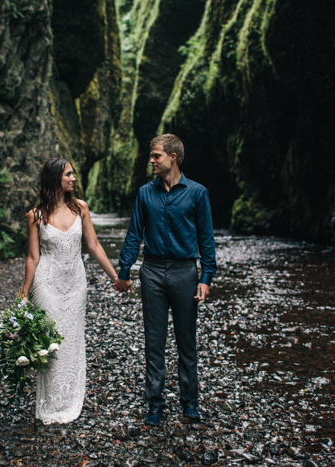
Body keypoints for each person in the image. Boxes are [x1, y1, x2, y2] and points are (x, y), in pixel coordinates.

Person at [114, 134, 216, 426]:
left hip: (186, 272)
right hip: (153, 271)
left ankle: (190, 402)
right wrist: (124, 272)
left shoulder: (198, 193)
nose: (151, 160)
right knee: (154, 342)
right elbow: (134, 234)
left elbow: (206, 238)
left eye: (156, 155)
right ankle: (155, 404)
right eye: (151, 155)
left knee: (186, 341)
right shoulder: (146, 193)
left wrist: (206, 276)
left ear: (173, 157)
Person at [21, 158, 120, 425]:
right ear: (55, 179)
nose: (73, 178)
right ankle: (51, 403)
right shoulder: (36, 215)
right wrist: (24, 293)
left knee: (73, 341)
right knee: (50, 342)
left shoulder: (81, 208)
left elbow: (95, 245)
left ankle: (70, 398)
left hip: (75, 284)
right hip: (47, 285)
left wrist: (115, 276)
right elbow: (33, 257)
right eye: (68, 174)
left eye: (74, 173)